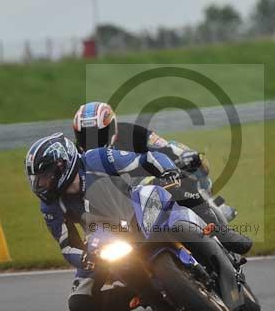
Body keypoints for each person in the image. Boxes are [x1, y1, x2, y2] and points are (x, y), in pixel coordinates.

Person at [27, 132, 223, 311]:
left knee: (179, 197)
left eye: (45, 177)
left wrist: (167, 171)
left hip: (135, 207)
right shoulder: (50, 206)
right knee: (80, 306)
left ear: (62, 166)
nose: (40, 184)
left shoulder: (97, 158)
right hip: (104, 238)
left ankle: (221, 235)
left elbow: (146, 160)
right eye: (37, 179)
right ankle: (142, 294)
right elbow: (68, 246)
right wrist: (87, 257)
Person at [72, 101, 248, 254]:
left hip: (154, 180)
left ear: (112, 128)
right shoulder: (75, 158)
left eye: (98, 134)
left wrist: (183, 157)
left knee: (193, 167)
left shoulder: (131, 132)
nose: (92, 141)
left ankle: (218, 221)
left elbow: (163, 146)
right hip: (120, 206)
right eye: (85, 136)